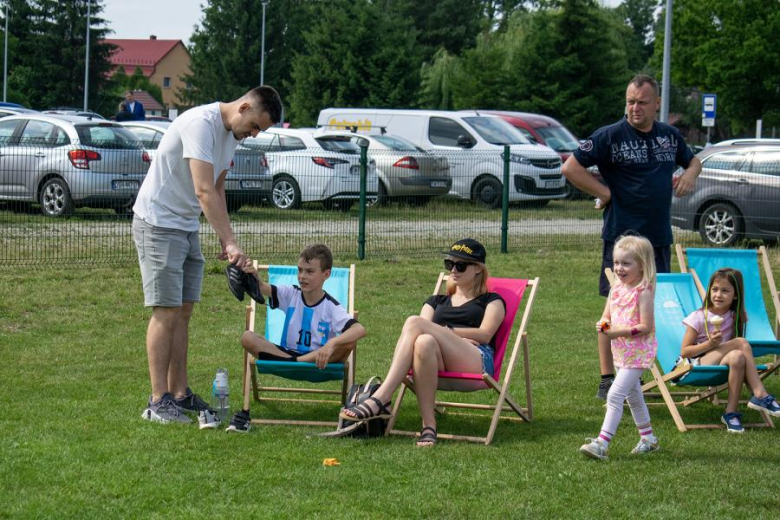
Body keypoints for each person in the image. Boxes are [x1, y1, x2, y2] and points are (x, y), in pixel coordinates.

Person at [132, 86, 283, 426]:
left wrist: (226, 239)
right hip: (157, 222)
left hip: (185, 224)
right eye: (256, 125)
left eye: (261, 130)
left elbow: (217, 189)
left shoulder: (232, 137)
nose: (254, 134)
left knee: (183, 310)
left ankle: (180, 393)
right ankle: (158, 402)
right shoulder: (201, 124)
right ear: (244, 107)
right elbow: (202, 189)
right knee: (166, 310)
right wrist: (231, 244)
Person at [561, 74, 703, 400]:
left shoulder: (669, 136)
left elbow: (693, 159)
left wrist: (690, 173)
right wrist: (605, 193)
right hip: (622, 238)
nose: (634, 108)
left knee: (651, 307)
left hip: (657, 238)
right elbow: (571, 167)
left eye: (641, 102)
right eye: (630, 101)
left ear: (656, 105)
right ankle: (608, 377)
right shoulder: (609, 136)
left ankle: (641, 370)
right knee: (615, 308)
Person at [340, 238, 505, 447]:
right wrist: (446, 335)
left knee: (415, 322)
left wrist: (448, 332)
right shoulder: (436, 301)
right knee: (424, 341)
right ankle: (429, 426)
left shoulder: (491, 300)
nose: (453, 269)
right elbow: (418, 333)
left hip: (475, 359)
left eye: (461, 265)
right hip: (435, 363)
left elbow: (484, 334)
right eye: (449, 264)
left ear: (478, 269)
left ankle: (381, 397)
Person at [226, 244, 367, 433]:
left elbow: (359, 329)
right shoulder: (291, 294)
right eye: (300, 270)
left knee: (348, 342)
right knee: (247, 337)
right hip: (287, 355)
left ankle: (296, 361)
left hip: (320, 362)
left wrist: (332, 343)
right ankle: (293, 362)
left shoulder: (331, 307)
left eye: (310, 272)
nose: (302, 276)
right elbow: (262, 288)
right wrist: (253, 275)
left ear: (326, 275)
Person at [580, 235, 659, 461]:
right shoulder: (616, 289)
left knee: (614, 395)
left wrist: (618, 332)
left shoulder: (643, 291)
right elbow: (607, 316)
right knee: (634, 396)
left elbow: (646, 326)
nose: (619, 268)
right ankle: (649, 439)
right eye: (616, 263)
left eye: (626, 263)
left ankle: (601, 444)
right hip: (621, 352)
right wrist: (603, 326)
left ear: (642, 266)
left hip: (638, 353)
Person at [680, 268, 780, 433]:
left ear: (735, 295)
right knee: (741, 343)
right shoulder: (698, 317)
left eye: (725, 291)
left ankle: (730, 413)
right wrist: (709, 344)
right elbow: (685, 351)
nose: (718, 294)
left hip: (723, 362)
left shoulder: (734, 316)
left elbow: (734, 349)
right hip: (699, 362)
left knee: (738, 357)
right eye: (715, 289)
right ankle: (760, 393)